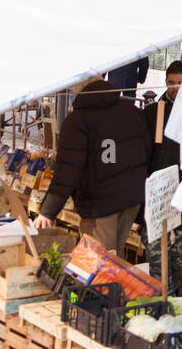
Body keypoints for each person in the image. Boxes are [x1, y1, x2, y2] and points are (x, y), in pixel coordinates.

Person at [34, 78, 151, 254]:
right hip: (131, 198)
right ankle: (116, 281)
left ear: (78, 92)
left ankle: (109, 282)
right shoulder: (131, 111)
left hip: (100, 204)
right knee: (114, 257)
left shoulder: (78, 121)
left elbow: (67, 171)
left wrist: (48, 211)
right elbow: (146, 150)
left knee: (98, 262)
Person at [142, 61, 182, 295]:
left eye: (180, 83)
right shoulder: (152, 113)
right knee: (156, 257)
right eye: (171, 83)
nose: (175, 88)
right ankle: (165, 299)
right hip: (157, 195)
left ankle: (170, 289)